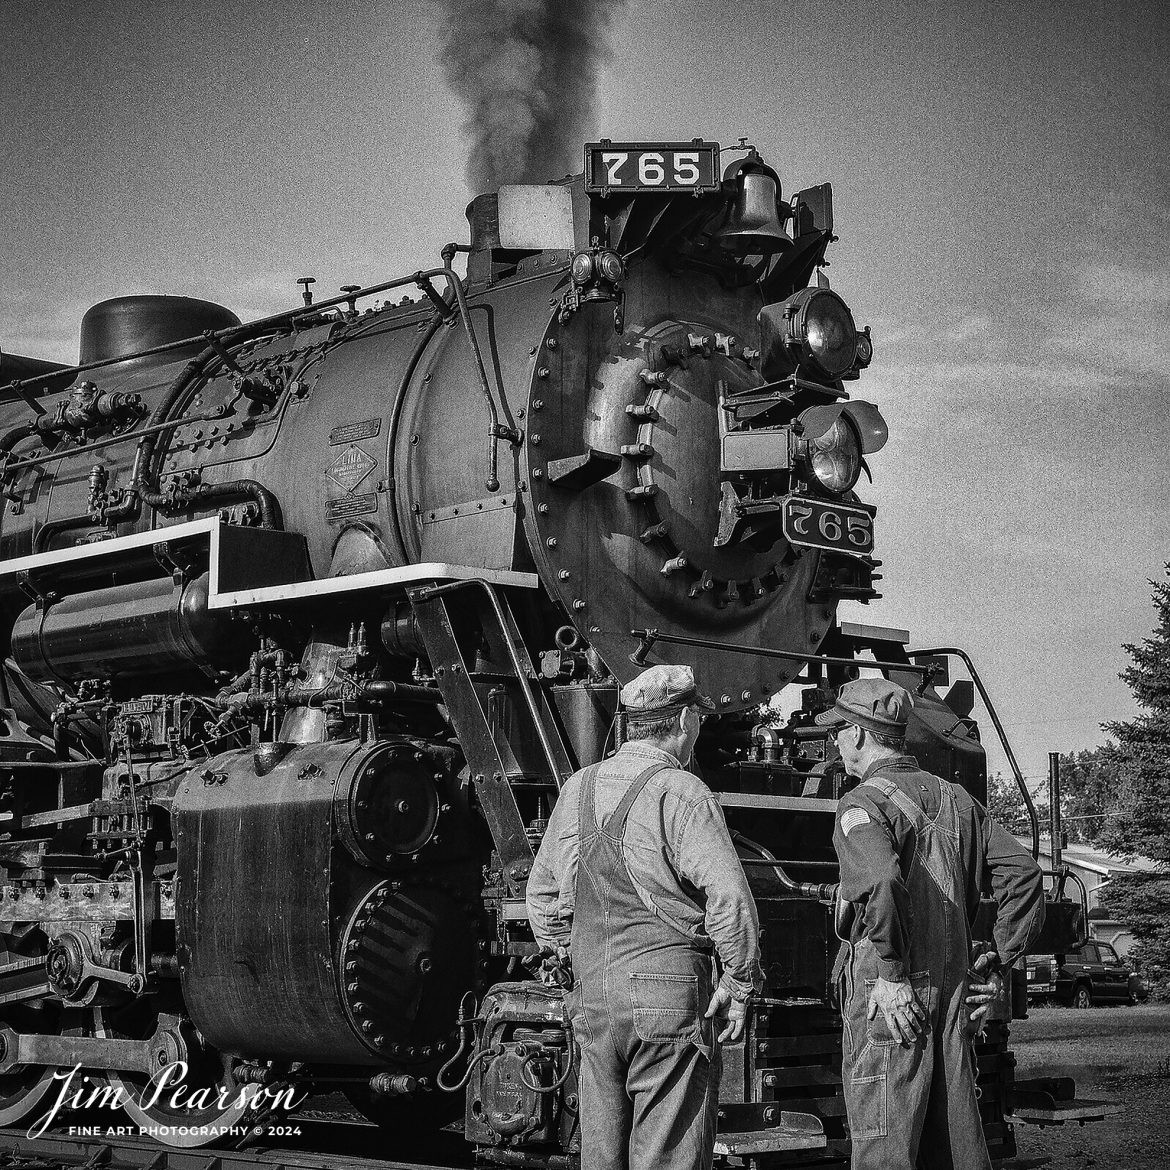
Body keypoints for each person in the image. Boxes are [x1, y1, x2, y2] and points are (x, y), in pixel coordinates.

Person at [526, 664, 762, 1170]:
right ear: (684, 721)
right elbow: (730, 899)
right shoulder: (681, 791)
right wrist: (740, 985)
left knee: (601, 1157)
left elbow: (543, 895)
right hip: (666, 998)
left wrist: (567, 956)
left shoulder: (578, 789)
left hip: (593, 999)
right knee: (667, 1155)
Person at [817, 677, 1044, 1170]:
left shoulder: (862, 804)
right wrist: (999, 959)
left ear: (858, 735)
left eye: (838, 731)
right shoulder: (959, 800)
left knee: (885, 1146)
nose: (834, 741)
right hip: (954, 988)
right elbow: (1024, 873)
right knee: (953, 1147)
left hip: (893, 1002)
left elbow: (880, 880)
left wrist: (892, 975)